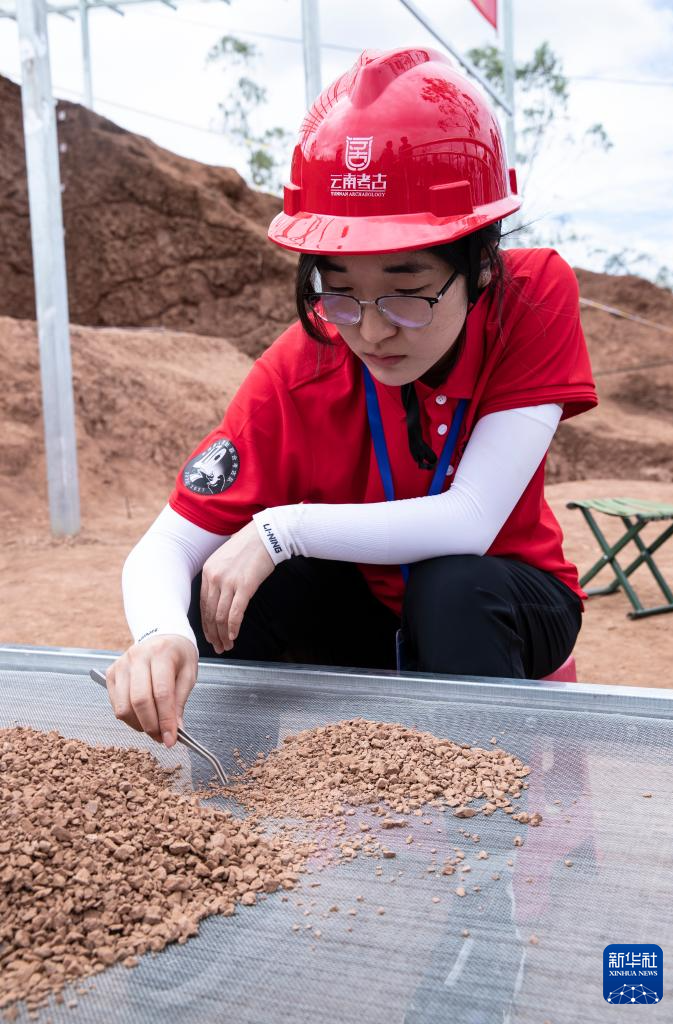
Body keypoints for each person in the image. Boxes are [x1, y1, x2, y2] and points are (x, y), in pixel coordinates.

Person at [105, 47, 597, 748]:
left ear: (482, 264)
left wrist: (279, 530)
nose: (370, 329)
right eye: (339, 291)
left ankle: (484, 811)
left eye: (406, 292)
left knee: (451, 589)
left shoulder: (531, 298)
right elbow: (166, 545)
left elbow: (472, 518)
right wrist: (161, 632)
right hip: (363, 605)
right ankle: (233, 802)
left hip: (505, 596)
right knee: (221, 588)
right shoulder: (300, 368)